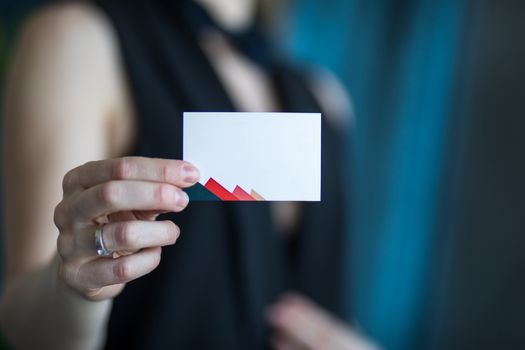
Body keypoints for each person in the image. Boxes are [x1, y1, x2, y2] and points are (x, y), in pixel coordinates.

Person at [0, 0, 378, 349]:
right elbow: (27, 329)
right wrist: (77, 289)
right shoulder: (77, 41)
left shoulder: (326, 97)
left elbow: (328, 292)